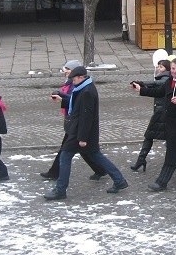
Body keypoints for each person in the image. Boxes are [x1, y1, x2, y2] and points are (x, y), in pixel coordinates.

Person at [44, 66, 128, 200]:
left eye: (74, 79)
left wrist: (82, 138)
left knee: (65, 157)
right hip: (84, 132)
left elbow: (86, 117)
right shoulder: (84, 88)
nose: (72, 81)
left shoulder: (87, 92)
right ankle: (119, 180)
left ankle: (60, 190)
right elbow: (77, 105)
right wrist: (62, 100)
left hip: (80, 133)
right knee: (96, 156)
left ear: (81, 77)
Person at [132, 61, 176, 190]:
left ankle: (162, 182)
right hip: (170, 122)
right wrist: (141, 90)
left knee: (172, 153)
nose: (174, 71)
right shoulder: (170, 81)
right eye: (172, 68)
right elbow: (159, 91)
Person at [41, 59, 106, 181]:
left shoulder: (78, 85)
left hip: (75, 122)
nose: (66, 73)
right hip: (71, 120)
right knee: (84, 151)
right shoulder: (71, 82)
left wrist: (62, 97)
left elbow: (76, 101)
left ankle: (56, 175)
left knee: (66, 150)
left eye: (68, 70)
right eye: (65, 70)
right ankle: (101, 170)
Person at [129, 59, 172, 173]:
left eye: (161, 67)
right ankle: (141, 159)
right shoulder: (161, 78)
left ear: (167, 69)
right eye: (158, 66)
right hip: (159, 113)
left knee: (168, 139)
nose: (158, 68)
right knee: (150, 136)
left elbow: (157, 84)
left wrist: (142, 84)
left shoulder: (166, 79)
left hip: (163, 114)